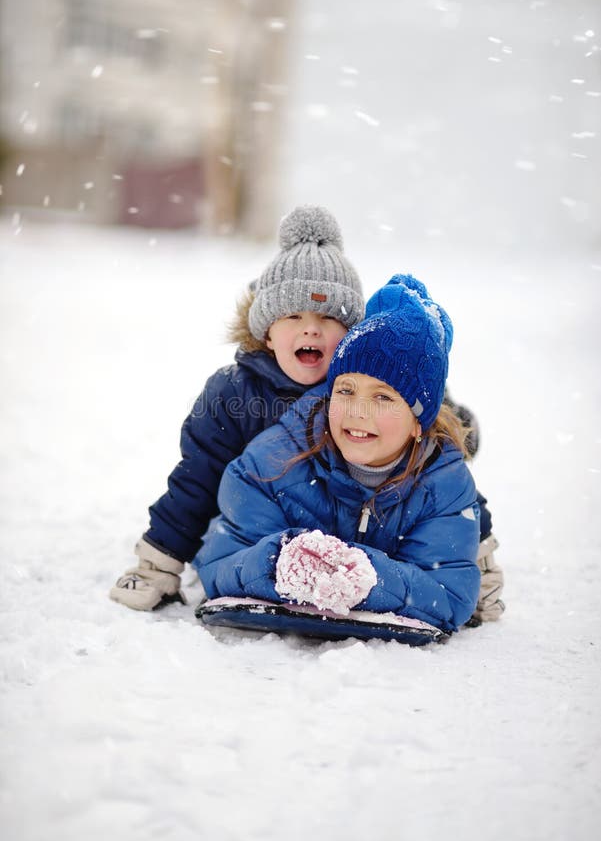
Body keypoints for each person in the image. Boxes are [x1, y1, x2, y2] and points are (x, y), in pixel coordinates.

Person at [110, 205, 365, 610]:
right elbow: (197, 481)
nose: (311, 328)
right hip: (251, 536)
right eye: (293, 315)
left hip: (344, 546)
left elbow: (429, 479)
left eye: (329, 318)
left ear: (350, 335)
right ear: (266, 333)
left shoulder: (362, 393)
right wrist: (158, 564)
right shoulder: (234, 394)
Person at [195, 274, 481, 631]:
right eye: (346, 390)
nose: (358, 411)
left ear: (417, 421)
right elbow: (220, 561)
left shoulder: (443, 485)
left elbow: (448, 594)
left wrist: (369, 577)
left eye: (382, 397)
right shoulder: (274, 464)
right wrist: (277, 561)